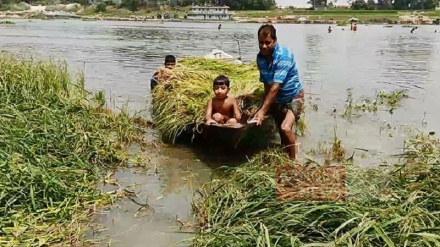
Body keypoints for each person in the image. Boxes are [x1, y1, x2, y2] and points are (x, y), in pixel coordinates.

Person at [253, 24, 304, 161]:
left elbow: (275, 87)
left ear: (275, 41)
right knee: (280, 131)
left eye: (267, 43)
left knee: (285, 128)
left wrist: (263, 111)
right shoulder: (260, 58)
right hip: (277, 99)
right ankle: (284, 154)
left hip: (293, 96)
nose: (264, 46)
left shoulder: (284, 56)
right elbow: (267, 85)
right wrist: (263, 107)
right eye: (261, 43)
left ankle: (294, 161)